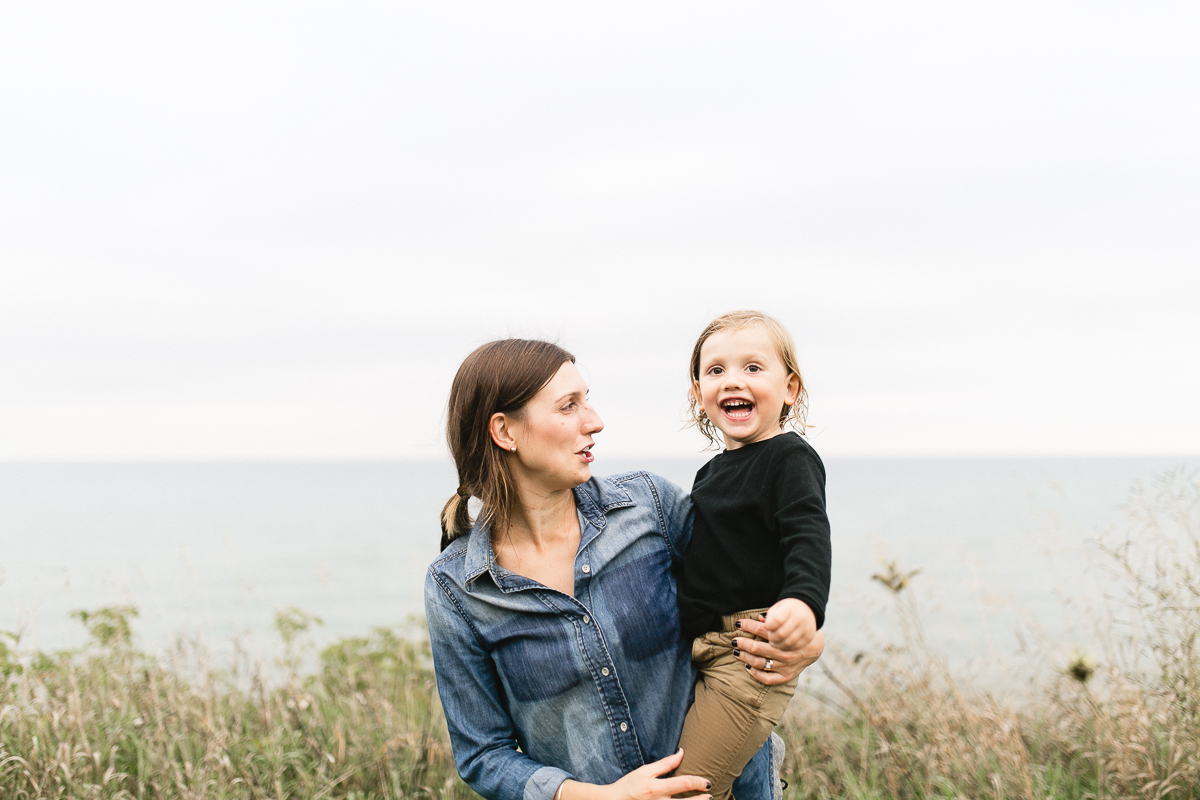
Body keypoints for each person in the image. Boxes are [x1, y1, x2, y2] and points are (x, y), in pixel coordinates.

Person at [425, 338, 824, 800]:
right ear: (505, 432)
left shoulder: (651, 507)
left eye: (587, 401)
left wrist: (806, 638)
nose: (594, 421)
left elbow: (756, 581)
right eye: (569, 406)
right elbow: (483, 755)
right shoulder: (455, 587)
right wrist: (596, 797)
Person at [672, 311, 832, 800]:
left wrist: (803, 604)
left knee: (686, 791)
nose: (731, 380)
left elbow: (807, 534)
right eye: (715, 370)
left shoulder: (790, 458)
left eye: (753, 367)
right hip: (702, 651)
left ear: (790, 388)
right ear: (698, 392)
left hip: (749, 658)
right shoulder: (711, 474)